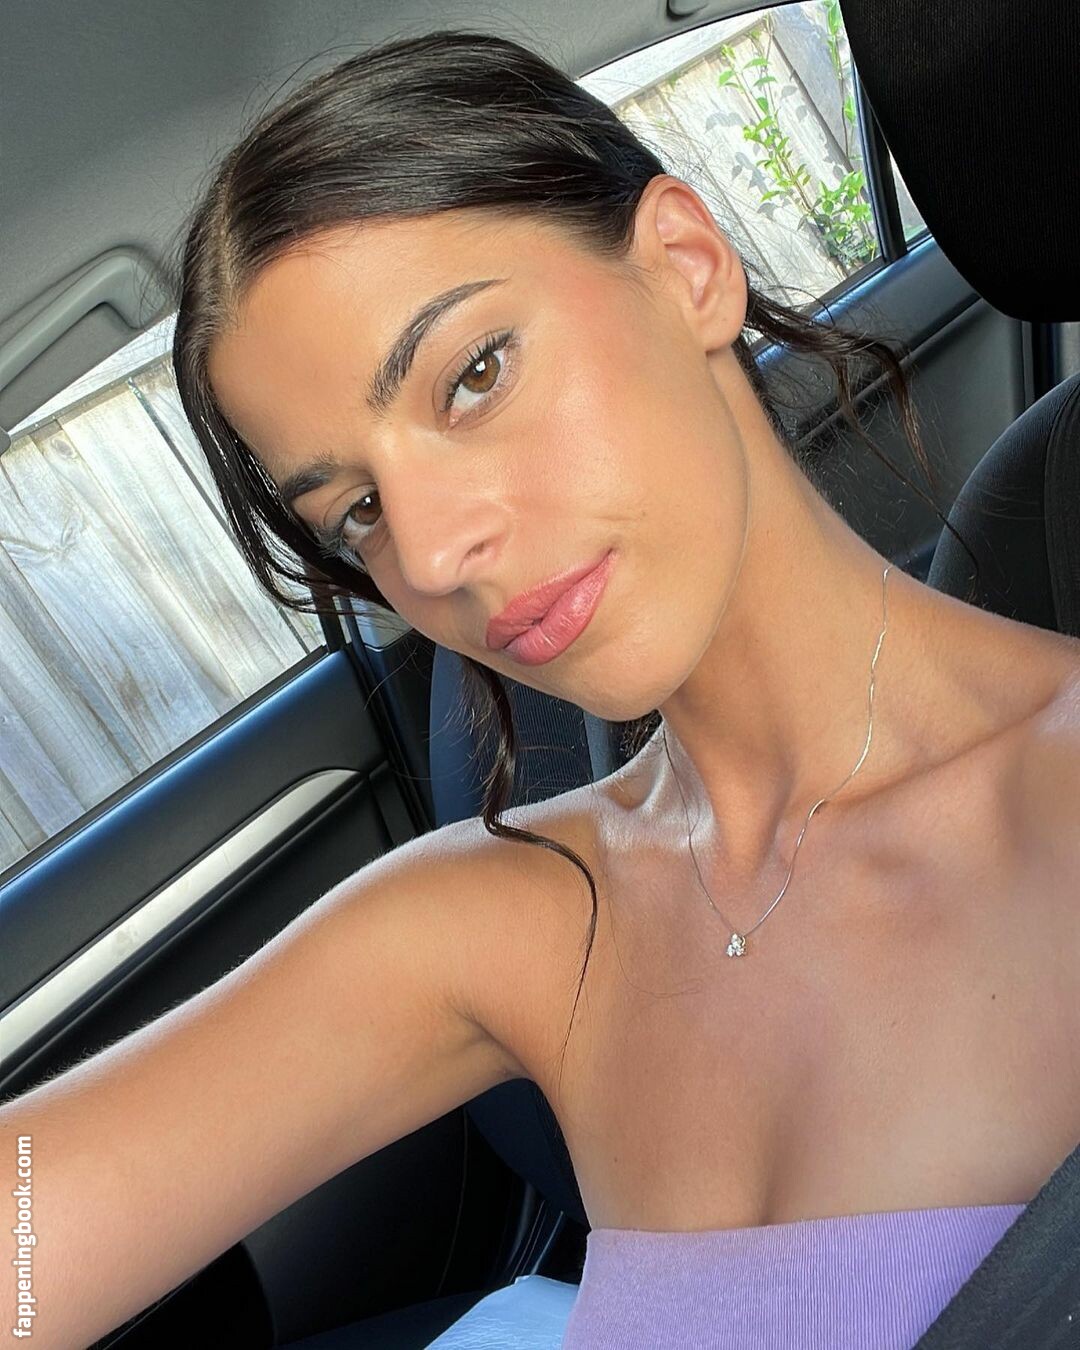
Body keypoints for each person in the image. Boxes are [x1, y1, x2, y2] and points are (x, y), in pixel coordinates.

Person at [3, 30, 1078, 1350]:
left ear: (687, 264)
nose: (431, 553)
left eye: (473, 376)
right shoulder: (507, 918)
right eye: (356, 512)